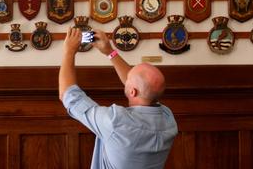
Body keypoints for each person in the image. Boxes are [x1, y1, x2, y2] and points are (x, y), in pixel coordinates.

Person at [59, 28, 178, 169]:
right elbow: (143, 87)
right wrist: (110, 52)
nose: (126, 79)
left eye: (128, 80)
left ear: (132, 91)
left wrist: (69, 51)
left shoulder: (116, 122)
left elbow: (70, 96)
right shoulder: (168, 119)